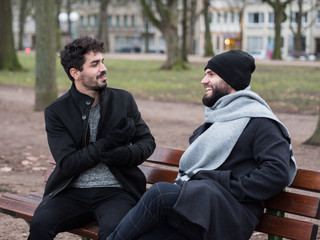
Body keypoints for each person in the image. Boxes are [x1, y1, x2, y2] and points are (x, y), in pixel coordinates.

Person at [106, 49, 297, 240]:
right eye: (205, 74)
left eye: (211, 74)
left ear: (231, 79)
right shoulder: (218, 117)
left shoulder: (261, 122)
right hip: (198, 210)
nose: (203, 80)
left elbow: (277, 172)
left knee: (159, 194)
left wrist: (225, 184)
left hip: (229, 215)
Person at [28, 36, 156, 240]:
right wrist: (107, 144)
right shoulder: (57, 111)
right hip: (71, 191)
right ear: (75, 73)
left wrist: (125, 153)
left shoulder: (123, 100)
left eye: (103, 61)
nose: (103, 68)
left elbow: (147, 142)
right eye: (94, 64)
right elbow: (68, 164)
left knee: (114, 231)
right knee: (41, 223)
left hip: (116, 191)